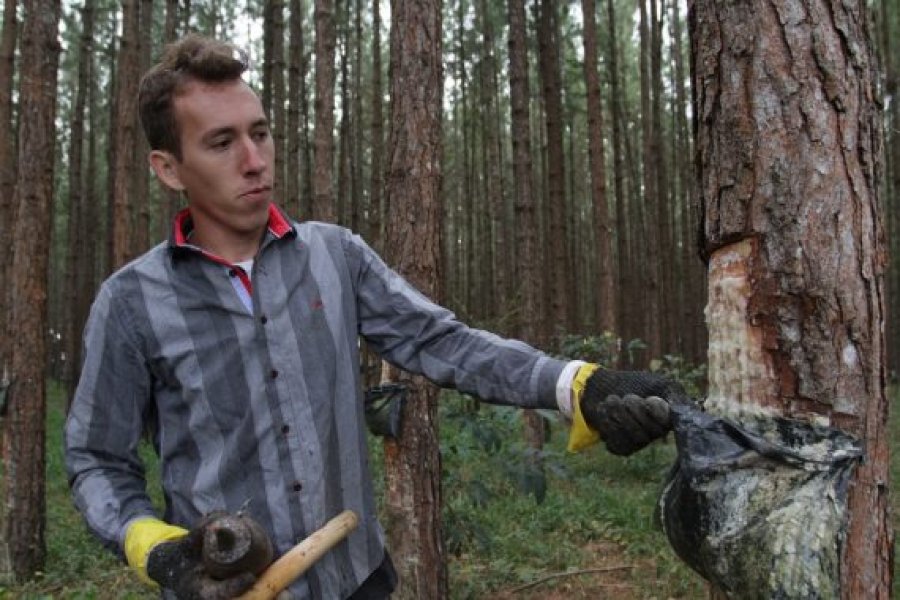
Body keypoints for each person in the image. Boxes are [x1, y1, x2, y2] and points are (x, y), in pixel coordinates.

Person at [64, 34, 680, 600]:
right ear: (169, 168)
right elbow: (96, 461)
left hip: (356, 580)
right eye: (222, 143)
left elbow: (443, 342)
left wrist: (575, 384)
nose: (254, 160)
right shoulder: (131, 303)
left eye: (261, 133)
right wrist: (157, 547)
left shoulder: (335, 256)